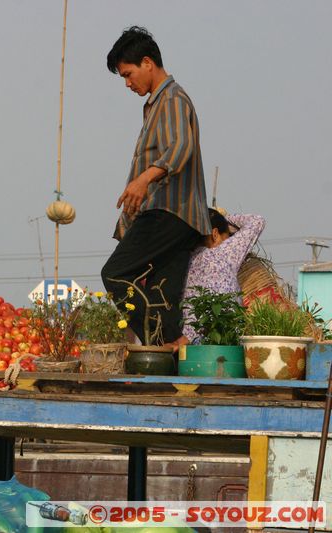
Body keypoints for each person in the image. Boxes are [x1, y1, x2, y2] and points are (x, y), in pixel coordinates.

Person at [101, 26, 211, 346]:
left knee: (116, 275)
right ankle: (172, 361)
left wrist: (143, 179)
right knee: (161, 298)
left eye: (128, 74)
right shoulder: (154, 105)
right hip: (177, 217)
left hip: (170, 210)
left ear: (148, 62)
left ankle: (161, 347)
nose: (127, 83)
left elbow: (181, 147)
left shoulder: (174, 99)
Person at [179, 210, 266, 344]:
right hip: (225, 338)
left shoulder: (186, 260)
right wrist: (225, 217)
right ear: (215, 234)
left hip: (190, 340)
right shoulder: (225, 252)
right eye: (227, 237)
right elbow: (257, 221)